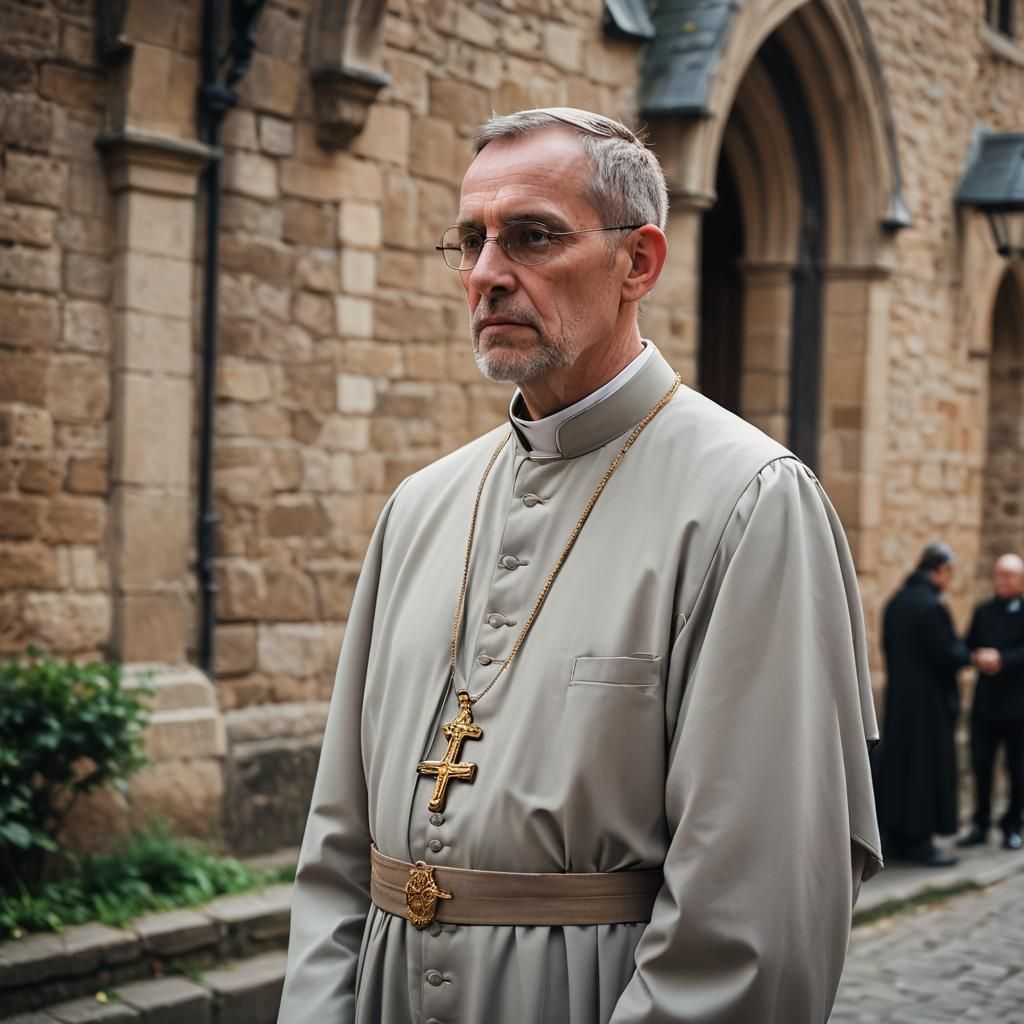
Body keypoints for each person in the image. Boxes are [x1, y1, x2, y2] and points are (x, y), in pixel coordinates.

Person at [277, 107, 881, 1024]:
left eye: (532, 237)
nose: (486, 274)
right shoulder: (420, 508)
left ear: (638, 262)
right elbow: (335, 849)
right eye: (471, 241)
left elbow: (750, 911)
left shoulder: (750, 503)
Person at [875, 543, 971, 867]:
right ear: (940, 570)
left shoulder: (896, 602)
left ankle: (898, 837)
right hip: (928, 706)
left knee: (901, 767)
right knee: (924, 771)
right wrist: (967, 653)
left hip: (900, 701)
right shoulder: (931, 606)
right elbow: (948, 654)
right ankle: (919, 843)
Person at [958, 553, 1024, 852]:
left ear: (1020, 580)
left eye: (1009, 576)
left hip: (1017, 707)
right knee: (981, 765)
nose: (1003, 581)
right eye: (999, 575)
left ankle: (1012, 825)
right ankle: (980, 823)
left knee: (1016, 769)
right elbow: (967, 644)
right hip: (986, 705)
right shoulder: (984, 611)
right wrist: (977, 656)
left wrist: (1003, 659)